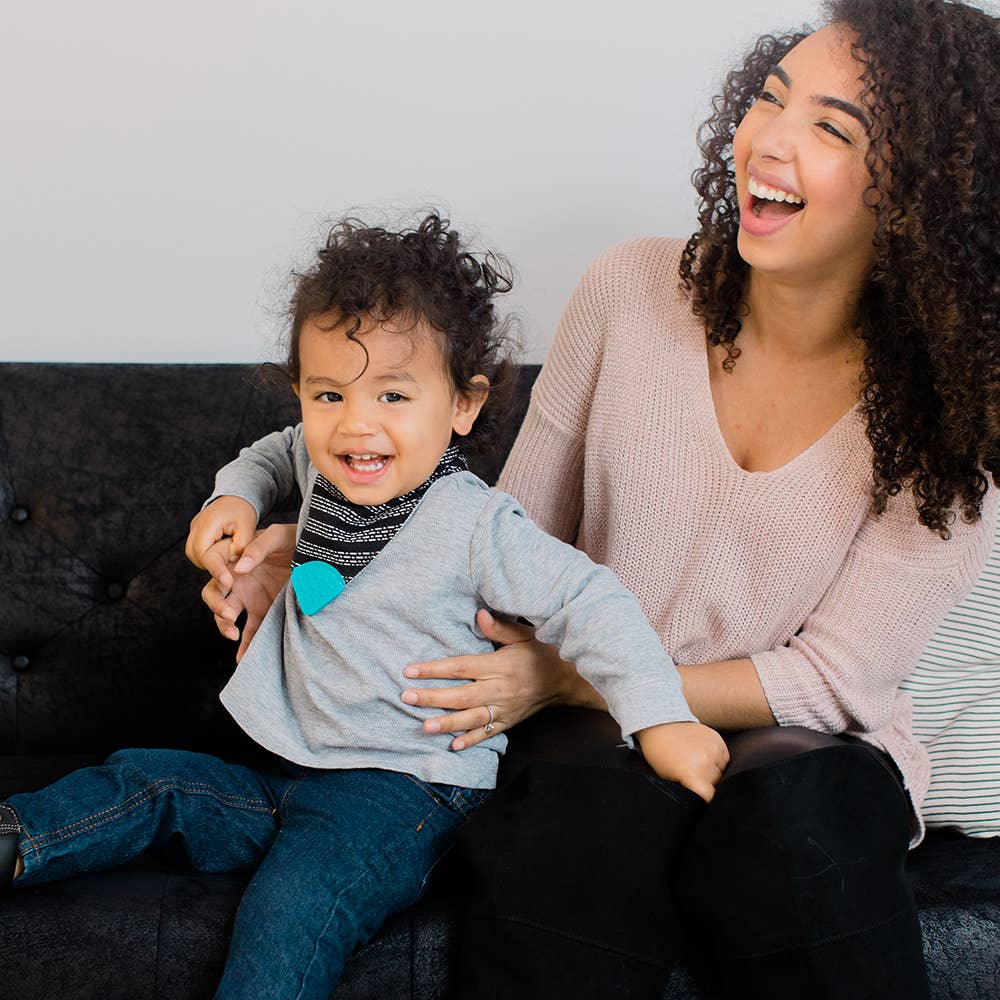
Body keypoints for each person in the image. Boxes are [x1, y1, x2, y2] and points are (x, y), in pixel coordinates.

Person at [202, 1, 1000, 997]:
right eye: (769, 98)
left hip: (794, 756)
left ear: (918, 193)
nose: (770, 140)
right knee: (589, 807)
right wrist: (325, 555)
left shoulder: (949, 404)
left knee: (793, 813)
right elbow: (506, 536)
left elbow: (836, 679)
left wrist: (577, 678)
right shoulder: (628, 291)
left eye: (832, 129)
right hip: (589, 737)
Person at [0, 214, 729, 1000]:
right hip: (286, 772)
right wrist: (233, 500)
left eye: (392, 392)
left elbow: (593, 597)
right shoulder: (325, 468)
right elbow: (274, 451)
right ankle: (16, 838)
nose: (356, 422)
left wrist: (663, 718)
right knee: (149, 783)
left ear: (463, 405)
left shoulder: (476, 525)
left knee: (294, 903)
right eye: (329, 394)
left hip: (402, 794)